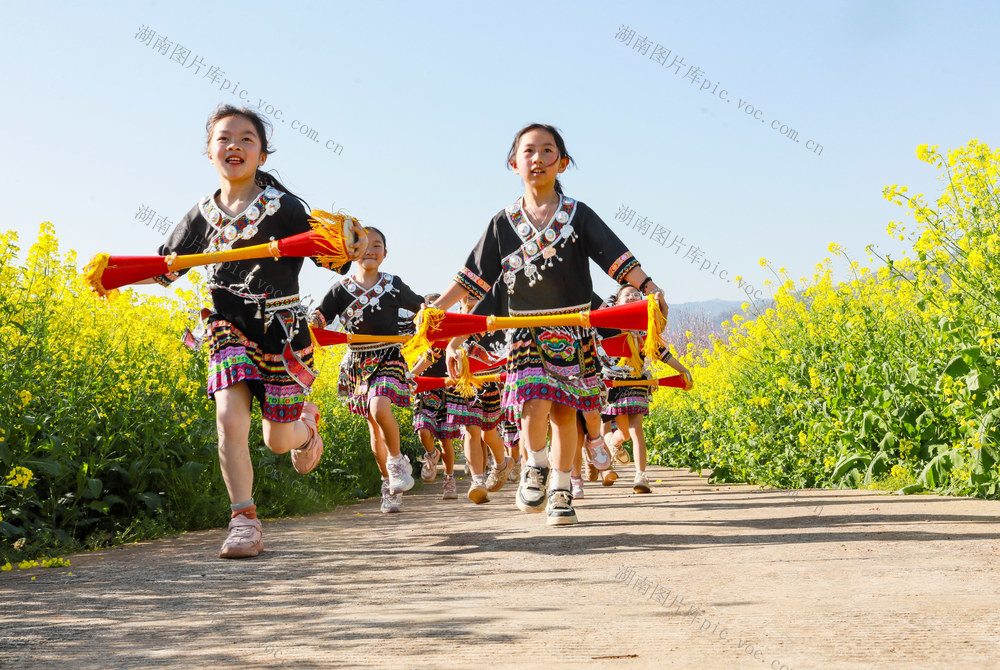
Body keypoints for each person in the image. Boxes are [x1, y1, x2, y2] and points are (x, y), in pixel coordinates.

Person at [149, 104, 364, 559]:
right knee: (228, 421)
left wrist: (350, 242)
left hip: (281, 332)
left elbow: (331, 255)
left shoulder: (283, 207)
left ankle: (306, 428)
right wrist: (112, 273)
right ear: (209, 152)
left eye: (247, 139)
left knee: (277, 440)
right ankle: (243, 520)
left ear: (263, 156)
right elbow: (165, 267)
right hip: (227, 327)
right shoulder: (200, 215)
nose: (235, 146)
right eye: (224, 138)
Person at [431, 123, 669, 525]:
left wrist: (648, 286)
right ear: (513, 164)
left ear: (563, 162)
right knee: (532, 401)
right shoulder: (501, 223)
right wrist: (438, 314)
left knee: (564, 412)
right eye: (528, 151)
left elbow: (615, 256)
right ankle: (534, 467)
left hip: (573, 331)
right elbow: (472, 278)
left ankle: (561, 490)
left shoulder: (579, 215)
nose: (537, 158)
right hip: (524, 330)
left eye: (547, 150)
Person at [312, 227, 424, 513]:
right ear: (351, 251)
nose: (371, 249)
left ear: (385, 253)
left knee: (379, 407)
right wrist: (308, 324)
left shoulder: (393, 284)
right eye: (364, 244)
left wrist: (427, 312)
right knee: (374, 427)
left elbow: (421, 306)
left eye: (378, 245)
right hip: (357, 363)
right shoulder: (340, 289)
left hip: (388, 356)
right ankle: (388, 484)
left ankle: (398, 462)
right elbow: (320, 318)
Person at [602, 285, 693, 493]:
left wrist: (683, 370)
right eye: (627, 294)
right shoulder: (608, 325)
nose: (633, 296)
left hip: (637, 382)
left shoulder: (645, 329)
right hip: (615, 384)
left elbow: (661, 353)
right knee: (623, 432)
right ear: (617, 303)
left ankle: (640, 476)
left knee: (636, 429)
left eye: (637, 294)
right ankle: (612, 442)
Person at [410, 294, 459, 499]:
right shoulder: (416, 337)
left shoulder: (453, 335)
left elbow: (444, 359)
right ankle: (431, 455)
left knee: (445, 440)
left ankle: (449, 479)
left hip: (448, 389)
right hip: (425, 389)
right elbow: (411, 366)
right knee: (422, 430)